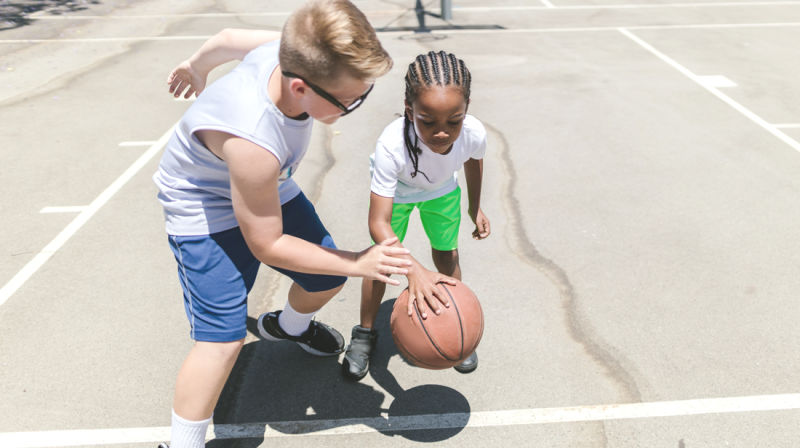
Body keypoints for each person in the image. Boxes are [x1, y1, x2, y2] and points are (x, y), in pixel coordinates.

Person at [152, 2, 411, 447]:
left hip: (270, 184)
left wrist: (196, 67)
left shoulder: (285, 49)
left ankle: (286, 327)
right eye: (350, 100)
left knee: (326, 277)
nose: (357, 105)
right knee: (222, 342)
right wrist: (358, 260)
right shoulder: (254, 139)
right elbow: (267, 245)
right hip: (203, 205)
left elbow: (229, 38)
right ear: (299, 86)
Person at [341, 51, 490, 381]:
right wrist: (413, 269)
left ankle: (453, 320)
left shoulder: (474, 133)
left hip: (442, 191)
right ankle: (364, 334)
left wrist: (474, 206)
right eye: (428, 121)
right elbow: (378, 222)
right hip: (399, 193)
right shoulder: (391, 145)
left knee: (447, 254)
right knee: (381, 262)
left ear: (465, 111)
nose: (442, 133)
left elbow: (472, 161)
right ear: (410, 110)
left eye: (454, 121)